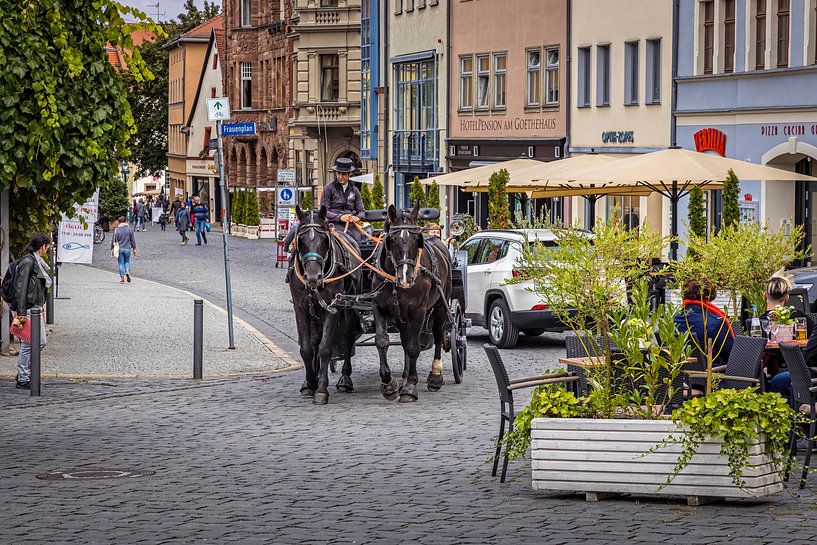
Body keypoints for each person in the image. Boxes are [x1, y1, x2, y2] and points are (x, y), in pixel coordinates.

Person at [11, 233, 51, 390]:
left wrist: (41, 306)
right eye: (47, 246)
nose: (47, 250)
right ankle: (23, 378)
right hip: (27, 309)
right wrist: (21, 312)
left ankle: (23, 373)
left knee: (38, 342)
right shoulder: (28, 261)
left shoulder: (36, 261)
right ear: (43, 246)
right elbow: (21, 287)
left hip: (34, 308)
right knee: (30, 344)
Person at [762, 276, 812, 399]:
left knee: (777, 382)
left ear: (765, 296)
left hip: (777, 371)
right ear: (787, 297)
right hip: (804, 367)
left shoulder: (760, 323)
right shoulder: (800, 318)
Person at [674, 278, 734, 379]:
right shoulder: (715, 322)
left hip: (681, 379)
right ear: (709, 295)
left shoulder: (674, 320)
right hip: (714, 378)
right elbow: (731, 354)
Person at [320, 157, 365, 241]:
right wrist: (340, 217)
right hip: (334, 224)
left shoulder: (355, 190)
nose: (340, 177)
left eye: (343, 174)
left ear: (349, 174)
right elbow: (324, 211)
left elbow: (361, 211)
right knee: (349, 236)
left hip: (351, 224)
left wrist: (358, 217)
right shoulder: (328, 189)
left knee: (363, 236)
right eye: (338, 173)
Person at [111, 216, 137, 284]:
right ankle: (127, 271)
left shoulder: (116, 230)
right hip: (127, 248)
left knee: (121, 263)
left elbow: (113, 241)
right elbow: (132, 240)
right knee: (127, 262)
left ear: (119, 222)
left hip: (119, 248)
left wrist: (112, 249)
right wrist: (134, 248)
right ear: (125, 221)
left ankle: (122, 279)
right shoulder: (129, 229)